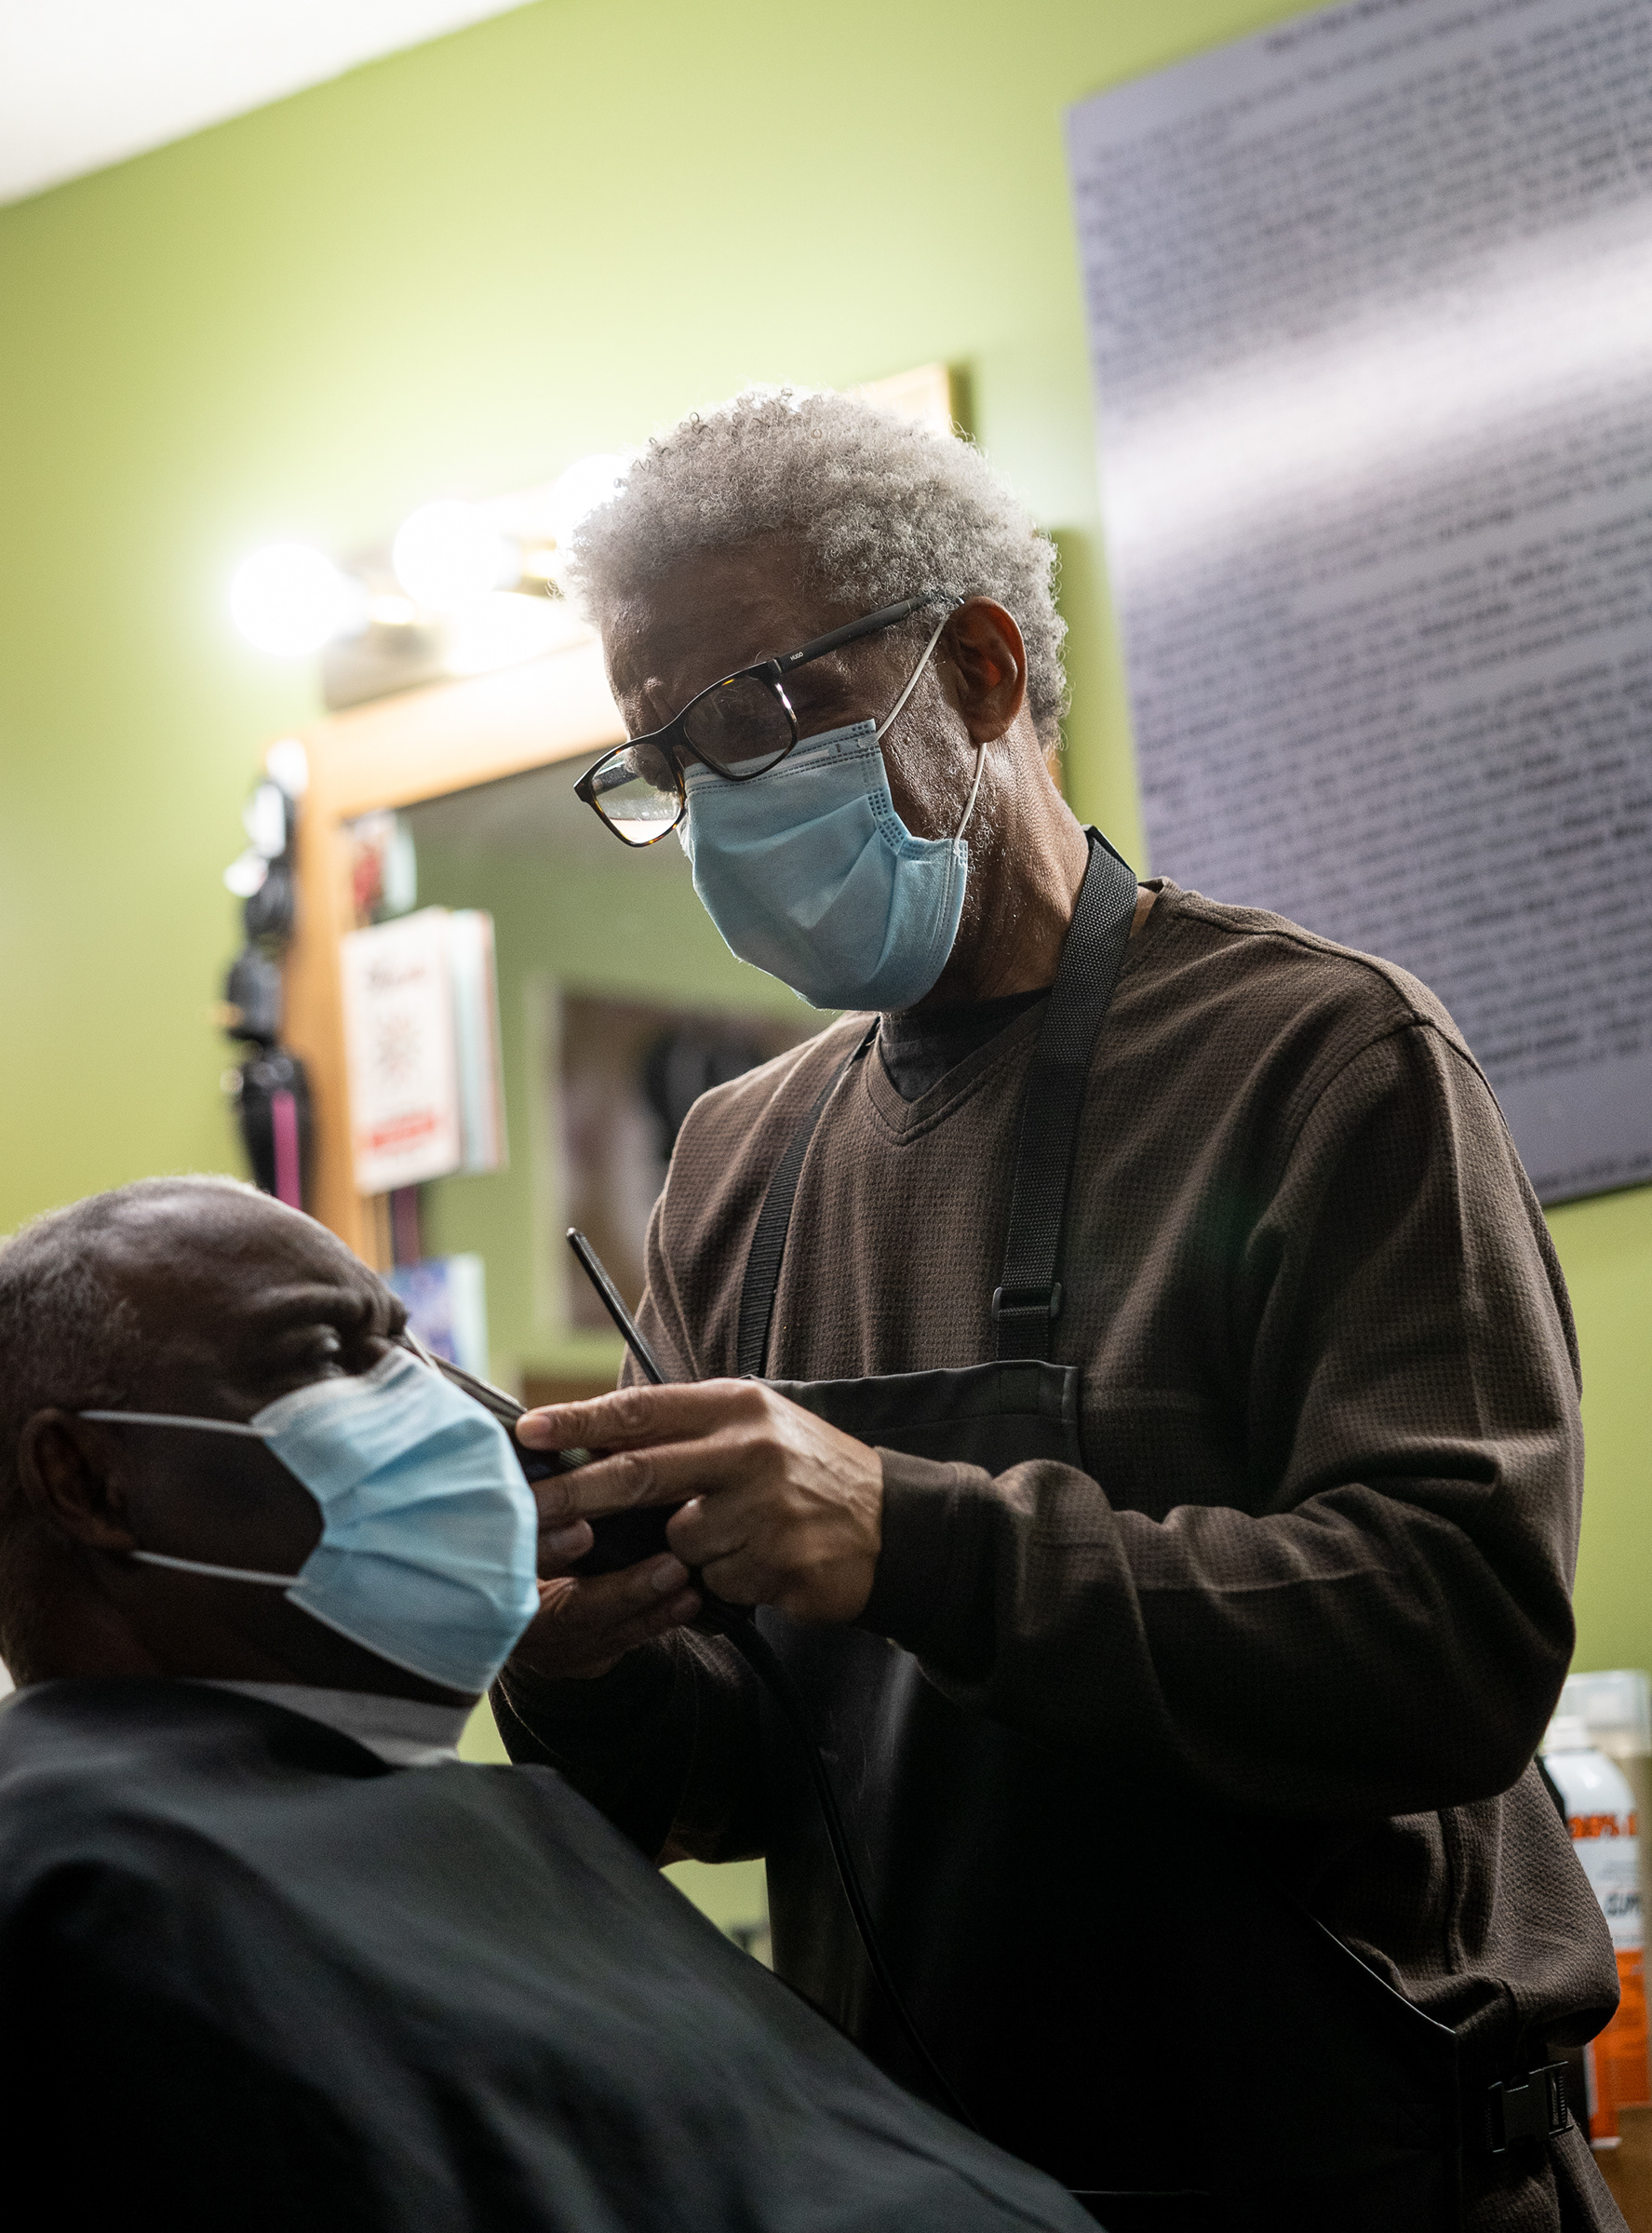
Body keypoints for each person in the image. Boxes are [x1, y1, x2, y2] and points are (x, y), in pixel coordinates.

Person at [491, 389, 1624, 2233]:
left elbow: (1453, 1649)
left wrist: (904, 1533)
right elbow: (749, 1775)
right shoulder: (738, 1164)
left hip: (1365, 2176)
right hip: (936, 2192)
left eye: (763, 711)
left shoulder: (1320, 1060)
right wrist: (579, 1657)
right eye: (667, 760)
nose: (718, 804)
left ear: (986, 668)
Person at [0, 1176, 1099, 2233]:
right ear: (90, 1481)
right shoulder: (121, 1915)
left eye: (412, 1348)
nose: (463, 1413)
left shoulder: (384, 1837)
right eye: (339, 1358)